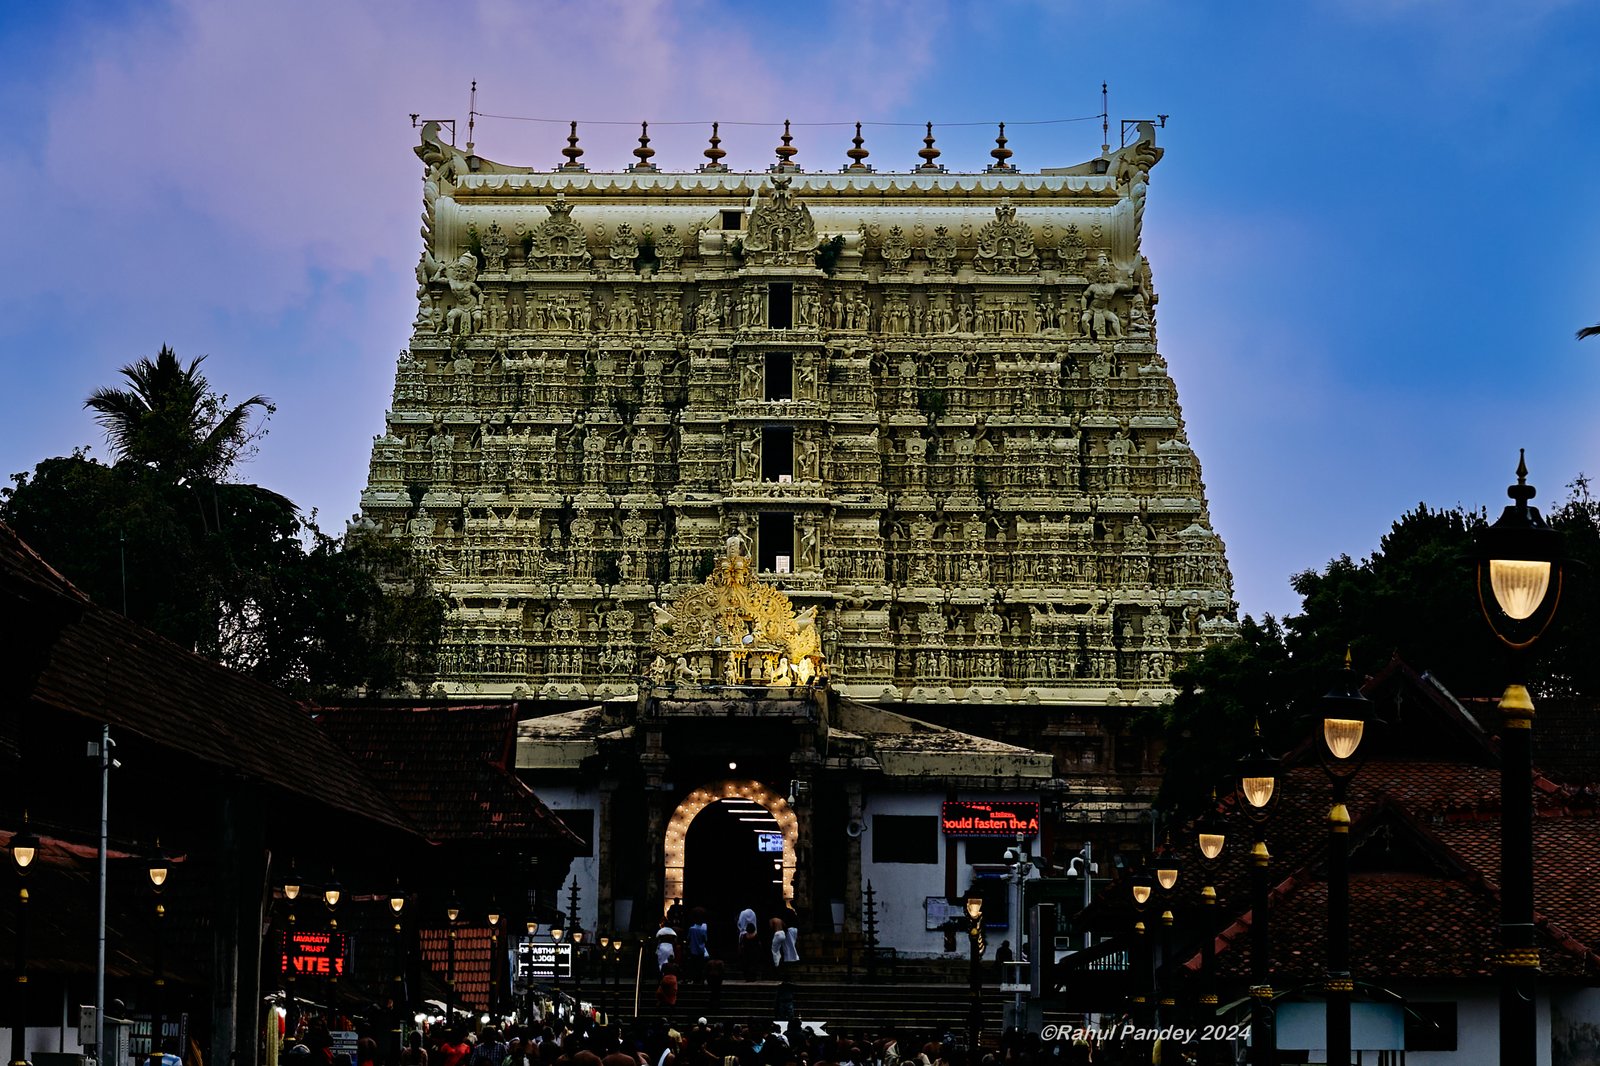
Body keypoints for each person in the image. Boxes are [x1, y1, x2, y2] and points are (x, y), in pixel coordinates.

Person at [686, 914, 710, 985]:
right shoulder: (702, 929)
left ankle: (695, 979)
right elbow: (705, 939)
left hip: (693, 949)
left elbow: (688, 938)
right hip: (701, 950)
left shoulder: (691, 929)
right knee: (701, 965)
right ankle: (700, 979)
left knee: (694, 965)